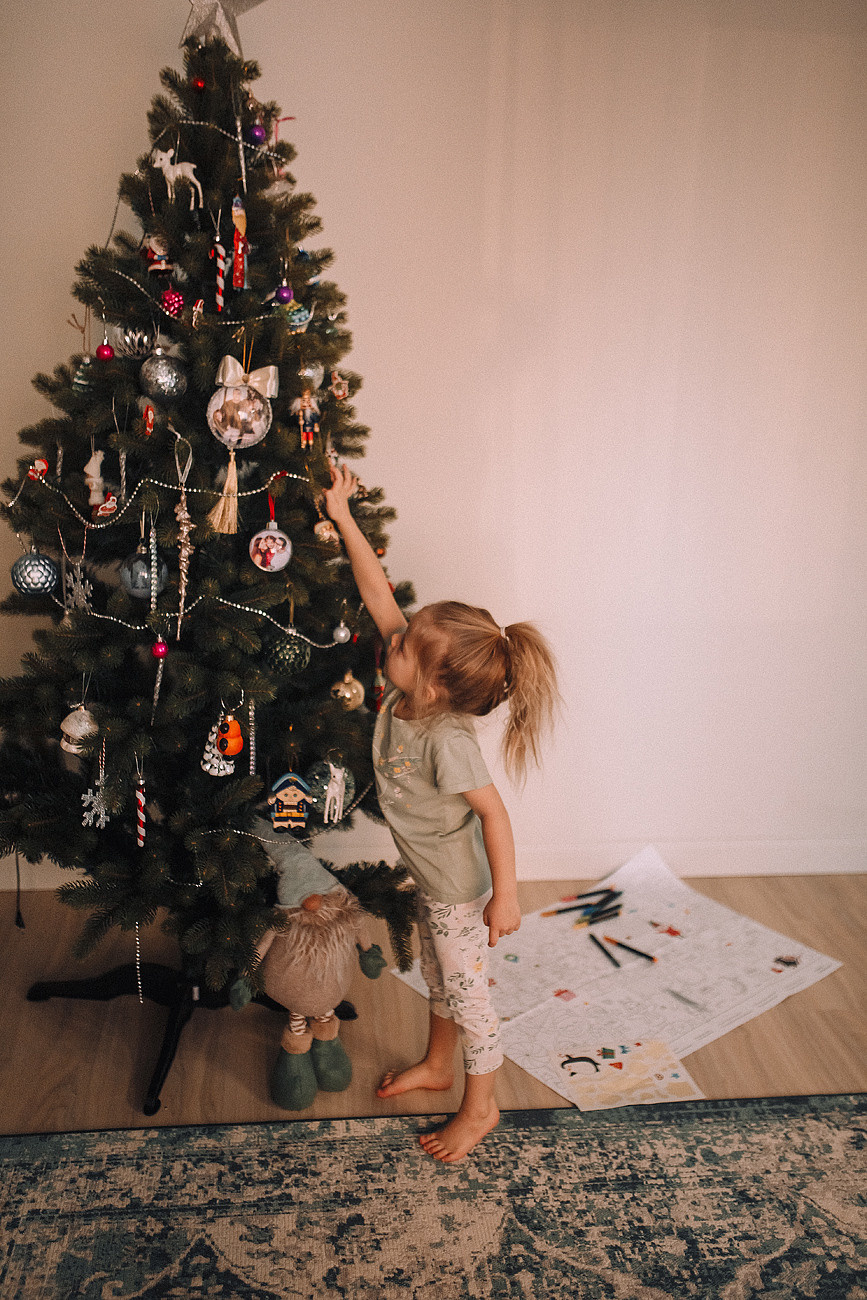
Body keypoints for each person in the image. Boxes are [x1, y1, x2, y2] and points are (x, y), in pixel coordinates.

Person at [323, 463, 559, 1162]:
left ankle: (480, 1107)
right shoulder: (410, 683)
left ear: (426, 679)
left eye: (400, 644)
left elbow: (494, 817)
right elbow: (377, 592)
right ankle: (435, 1065)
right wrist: (340, 514)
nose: (389, 640)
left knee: (469, 994)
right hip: (430, 879)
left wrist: (506, 896)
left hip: (459, 890)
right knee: (437, 979)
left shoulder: (445, 739)